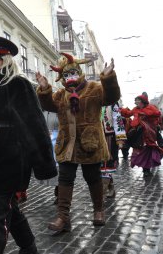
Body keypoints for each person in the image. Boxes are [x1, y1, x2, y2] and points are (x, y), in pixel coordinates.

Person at [0, 36, 57, 254]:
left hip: (8, 158)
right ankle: (29, 247)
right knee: (9, 209)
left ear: (5, 60)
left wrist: (44, 164)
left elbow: (34, 123)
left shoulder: (17, 83)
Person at [36, 53, 121, 234]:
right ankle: (62, 217)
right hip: (67, 143)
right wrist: (44, 89)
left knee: (93, 177)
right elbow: (49, 106)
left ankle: (98, 210)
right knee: (65, 178)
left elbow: (111, 98)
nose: (70, 77)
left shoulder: (94, 88)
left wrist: (107, 78)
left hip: (89, 142)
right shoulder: (60, 95)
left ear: (80, 71)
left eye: (73, 72)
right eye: (66, 75)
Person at [120, 92, 163, 176]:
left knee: (148, 151)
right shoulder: (135, 109)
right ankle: (145, 170)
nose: (135, 102)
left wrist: (144, 113)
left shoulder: (151, 107)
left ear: (142, 101)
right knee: (140, 151)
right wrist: (120, 109)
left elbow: (157, 113)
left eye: (137, 101)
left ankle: (147, 170)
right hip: (138, 134)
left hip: (149, 134)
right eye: (135, 101)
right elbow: (128, 114)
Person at [101, 102, 126, 198]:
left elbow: (118, 121)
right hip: (96, 137)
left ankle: (101, 193)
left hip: (109, 138)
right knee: (99, 166)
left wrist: (120, 140)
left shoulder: (112, 104)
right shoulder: (95, 100)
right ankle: (110, 187)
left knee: (106, 164)